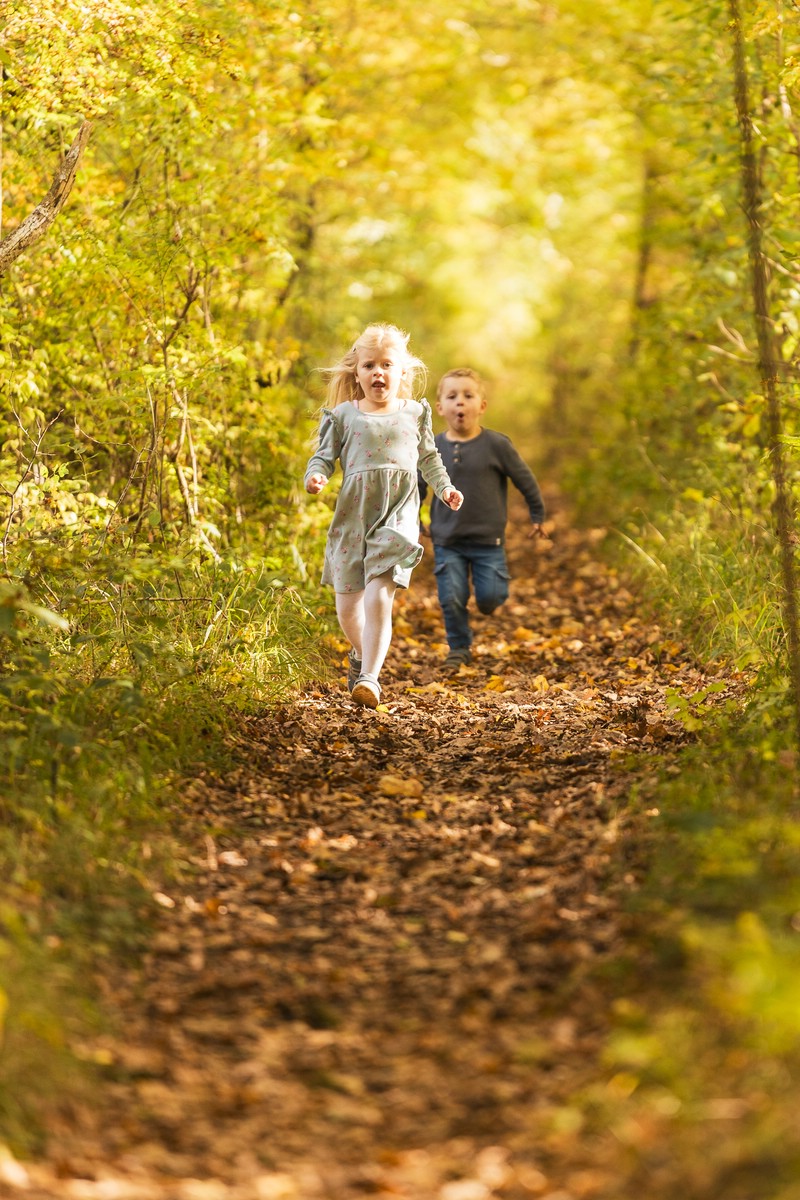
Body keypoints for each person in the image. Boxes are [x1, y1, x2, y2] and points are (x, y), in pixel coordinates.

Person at [304, 324, 464, 708]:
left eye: (387, 365)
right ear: (356, 374)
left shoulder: (414, 413)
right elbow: (324, 455)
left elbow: (429, 459)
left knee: (378, 596)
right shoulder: (343, 415)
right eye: (369, 366)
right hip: (352, 517)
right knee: (347, 608)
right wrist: (317, 473)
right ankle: (361, 655)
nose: (378, 372)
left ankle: (370, 679)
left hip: (397, 514)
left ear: (401, 373)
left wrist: (444, 488)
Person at [419, 367, 546, 672]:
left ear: (482, 406)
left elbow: (524, 479)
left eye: (468, 395)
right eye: (452, 396)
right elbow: (419, 486)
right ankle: (459, 648)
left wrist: (537, 514)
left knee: (490, 597)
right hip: (447, 539)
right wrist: (412, 519)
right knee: (451, 597)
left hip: (488, 541)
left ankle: (490, 596)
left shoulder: (497, 445)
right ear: (440, 408)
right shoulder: (431, 447)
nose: (460, 402)